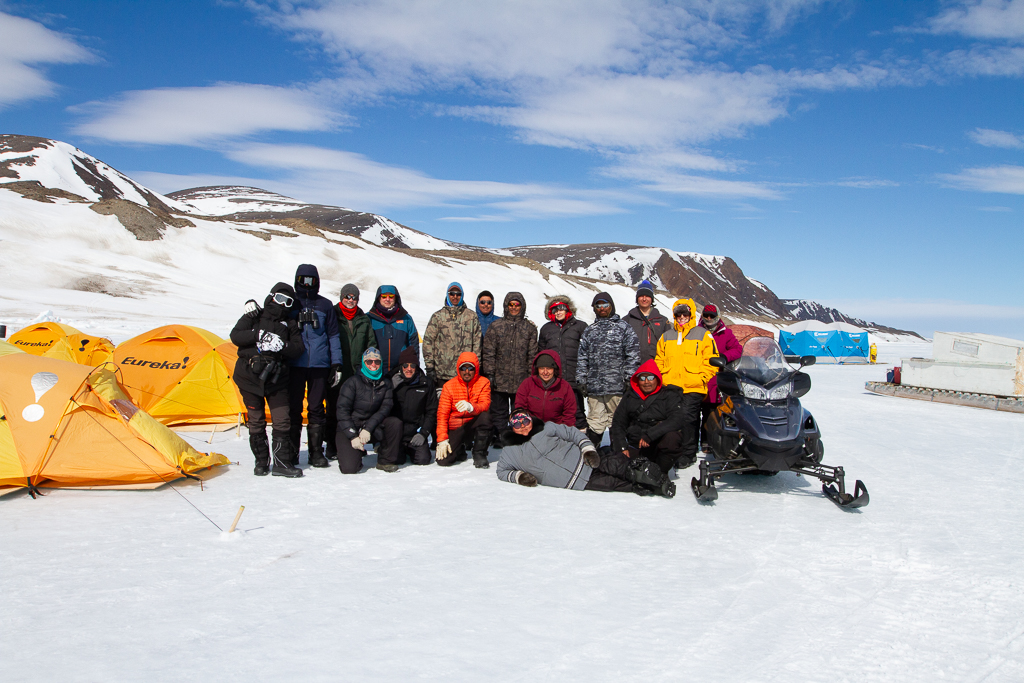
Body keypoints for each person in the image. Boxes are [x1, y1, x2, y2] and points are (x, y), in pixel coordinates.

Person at [496, 409, 675, 498]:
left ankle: (651, 473)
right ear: (512, 428)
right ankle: (655, 488)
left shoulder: (547, 428)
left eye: (525, 421)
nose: (523, 426)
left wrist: (588, 449)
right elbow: (502, 471)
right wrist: (519, 477)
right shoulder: (509, 453)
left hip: (586, 460)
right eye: (518, 424)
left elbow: (573, 433)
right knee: (616, 484)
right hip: (578, 482)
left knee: (619, 465)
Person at [230, 283, 305, 478]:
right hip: (249, 377)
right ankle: (261, 463)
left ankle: (281, 463)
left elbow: (298, 349)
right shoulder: (254, 315)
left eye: (287, 302)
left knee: (282, 420)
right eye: (279, 298)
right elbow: (235, 336)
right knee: (255, 421)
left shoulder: (290, 324)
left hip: (277, 379)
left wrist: (283, 345)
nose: (282, 304)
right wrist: (258, 335)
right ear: (271, 296)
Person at [287, 264, 343, 469]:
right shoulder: (291, 303)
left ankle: (316, 452)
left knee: (317, 408)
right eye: (303, 279)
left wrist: (336, 363)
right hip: (295, 364)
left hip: (320, 364)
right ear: (297, 279)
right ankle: (292, 451)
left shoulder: (325, 305)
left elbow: (333, 336)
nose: (307, 284)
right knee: (294, 409)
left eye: (311, 280)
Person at [655, 298, 718, 470]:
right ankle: (673, 449)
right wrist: (662, 376)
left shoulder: (703, 334)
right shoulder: (666, 336)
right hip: (670, 386)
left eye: (685, 314)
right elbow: (659, 359)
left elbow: (711, 360)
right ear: (674, 316)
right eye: (678, 314)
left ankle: (688, 454)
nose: (682, 317)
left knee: (689, 420)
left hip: (693, 386)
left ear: (691, 315)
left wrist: (702, 378)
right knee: (672, 419)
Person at [575, 292, 641, 451]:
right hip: (595, 388)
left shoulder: (624, 328)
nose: (602, 308)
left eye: (605, 305)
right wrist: (581, 380)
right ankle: (590, 457)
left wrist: (629, 378)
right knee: (595, 422)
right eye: (598, 305)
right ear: (594, 308)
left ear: (611, 306)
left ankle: (617, 455)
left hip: (617, 387)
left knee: (616, 422)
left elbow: (633, 354)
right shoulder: (590, 331)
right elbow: (582, 357)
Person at [324, 283, 377, 461]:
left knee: (356, 411)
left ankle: (355, 445)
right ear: (341, 297)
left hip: (357, 373)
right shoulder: (332, 315)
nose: (350, 300)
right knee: (333, 409)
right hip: (337, 371)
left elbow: (371, 344)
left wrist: (368, 369)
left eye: (353, 297)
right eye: (347, 296)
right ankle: (331, 446)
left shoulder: (363, 319)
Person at [610, 360, 687, 476]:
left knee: (673, 438)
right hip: (636, 446)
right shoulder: (630, 396)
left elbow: (676, 420)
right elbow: (618, 423)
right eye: (642, 378)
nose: (646, 382)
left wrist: (650, 435)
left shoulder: (669, 395)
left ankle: (661, 472)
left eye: (650, 377)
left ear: (657, 379)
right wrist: (621, 447)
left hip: (658, 447)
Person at [481, 292, 538, 441]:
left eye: (517, 305)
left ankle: (517, 437)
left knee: (519, 411)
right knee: (499, 412)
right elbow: (488, 352)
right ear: (506, 306)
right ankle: (501, 436)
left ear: (522, 306)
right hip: (499, 379)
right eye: (511, 305)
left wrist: (531, 378)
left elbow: (532, 356)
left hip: (521, 380)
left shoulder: (529, 329)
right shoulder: (496, 326)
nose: (514, 308)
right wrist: (490, 374)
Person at [335, 348, 395, 474]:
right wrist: (352, 435)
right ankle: (354, 452)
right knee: (349, 468)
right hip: (350, 426)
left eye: (377, 362)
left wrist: (368, 428)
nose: (373, 365)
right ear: (364, 363)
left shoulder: (386, 383)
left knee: (394, 423)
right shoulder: (352, 382)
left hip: (372, 426)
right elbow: (342, 411)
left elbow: (385, 408)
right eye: (369, 362)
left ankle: (385, 460)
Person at [377, 346, 437, 471]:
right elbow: (378, 405)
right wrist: (390, 388)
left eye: (412, 365)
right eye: (405, 365)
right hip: (395, 433)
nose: (409, 369)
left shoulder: (426, 383)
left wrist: (424, 433)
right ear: (400, 366)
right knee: (398, 459)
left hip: (415, 431)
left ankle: (411, 449)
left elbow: (431, 411)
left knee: (423, 459)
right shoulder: (389, 380)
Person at [537, 296, 588, 429]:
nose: (558, 312)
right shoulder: (546, 329)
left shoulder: (581, 326)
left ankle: (582, 441)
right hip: (554, 379)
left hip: (574, 377)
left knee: (577, 412)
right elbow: (541, 354)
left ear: (568, 309)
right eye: (555, 310)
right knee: (555, 411)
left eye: (562, 309)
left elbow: (588, 351)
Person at [436, 352, 492, 468]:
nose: (467, 372)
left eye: (470, 368)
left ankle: (479, 454)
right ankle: (459, 448)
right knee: (444, 461)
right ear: (458, 369)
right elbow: (442, 415)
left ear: (476, 369)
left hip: (473, 423)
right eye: (463, 368)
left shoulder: (483, 382)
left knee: (485, 417)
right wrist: (442, 439)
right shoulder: (448, 386)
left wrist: (471, 407)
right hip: (456, 426)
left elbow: (485, 404)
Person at [698, 304, 742, 451]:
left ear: (718, 316)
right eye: (706, 315)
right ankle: (702, 441)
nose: (709, 318)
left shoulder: (725, 333)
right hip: (699, 376)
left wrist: (724, 356)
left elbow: (737, 350)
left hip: (717, 379)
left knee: (713, 411)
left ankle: (711, 441)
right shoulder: (697, 332)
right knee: (698, 411)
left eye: (712, 315)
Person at [422, 282, 482, 387]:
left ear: (462, 295)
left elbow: (477, 344)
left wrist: (475, 367)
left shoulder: (471, 317)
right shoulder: (438, 317)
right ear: (447, 294)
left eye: (458, 294)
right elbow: (428, 342)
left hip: (465, 373)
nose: (455, 296)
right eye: (452, 293)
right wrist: (430, 367)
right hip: (441, 374)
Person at [367, 285, 419, 377]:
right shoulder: (369, 318)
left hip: (400, 372)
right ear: (378, 298)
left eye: (391, 296)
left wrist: (413, 365)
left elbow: (413, 344)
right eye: (384, 296)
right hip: (375, 371)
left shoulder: (406, 318)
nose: (387, 299)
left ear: (396, 298)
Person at [514, 350, 577, 426]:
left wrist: (563, 430)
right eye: (542, 368)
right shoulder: (527, 384)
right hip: (532, 428)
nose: (545, 372)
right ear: (537, 369)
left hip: (557, 429)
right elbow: (520, 408)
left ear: (555, 369)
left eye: (549, 368)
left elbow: (569, 414)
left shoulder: (564, 387)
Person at [625, 280, 670, 363]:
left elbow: (669, 346)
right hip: (632, 366)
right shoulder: (627, 320)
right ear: (637, 298)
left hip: (655, 366)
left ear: (652, 298)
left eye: (647, 296)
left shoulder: (663, 321)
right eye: (641, 296)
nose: (644, 299)